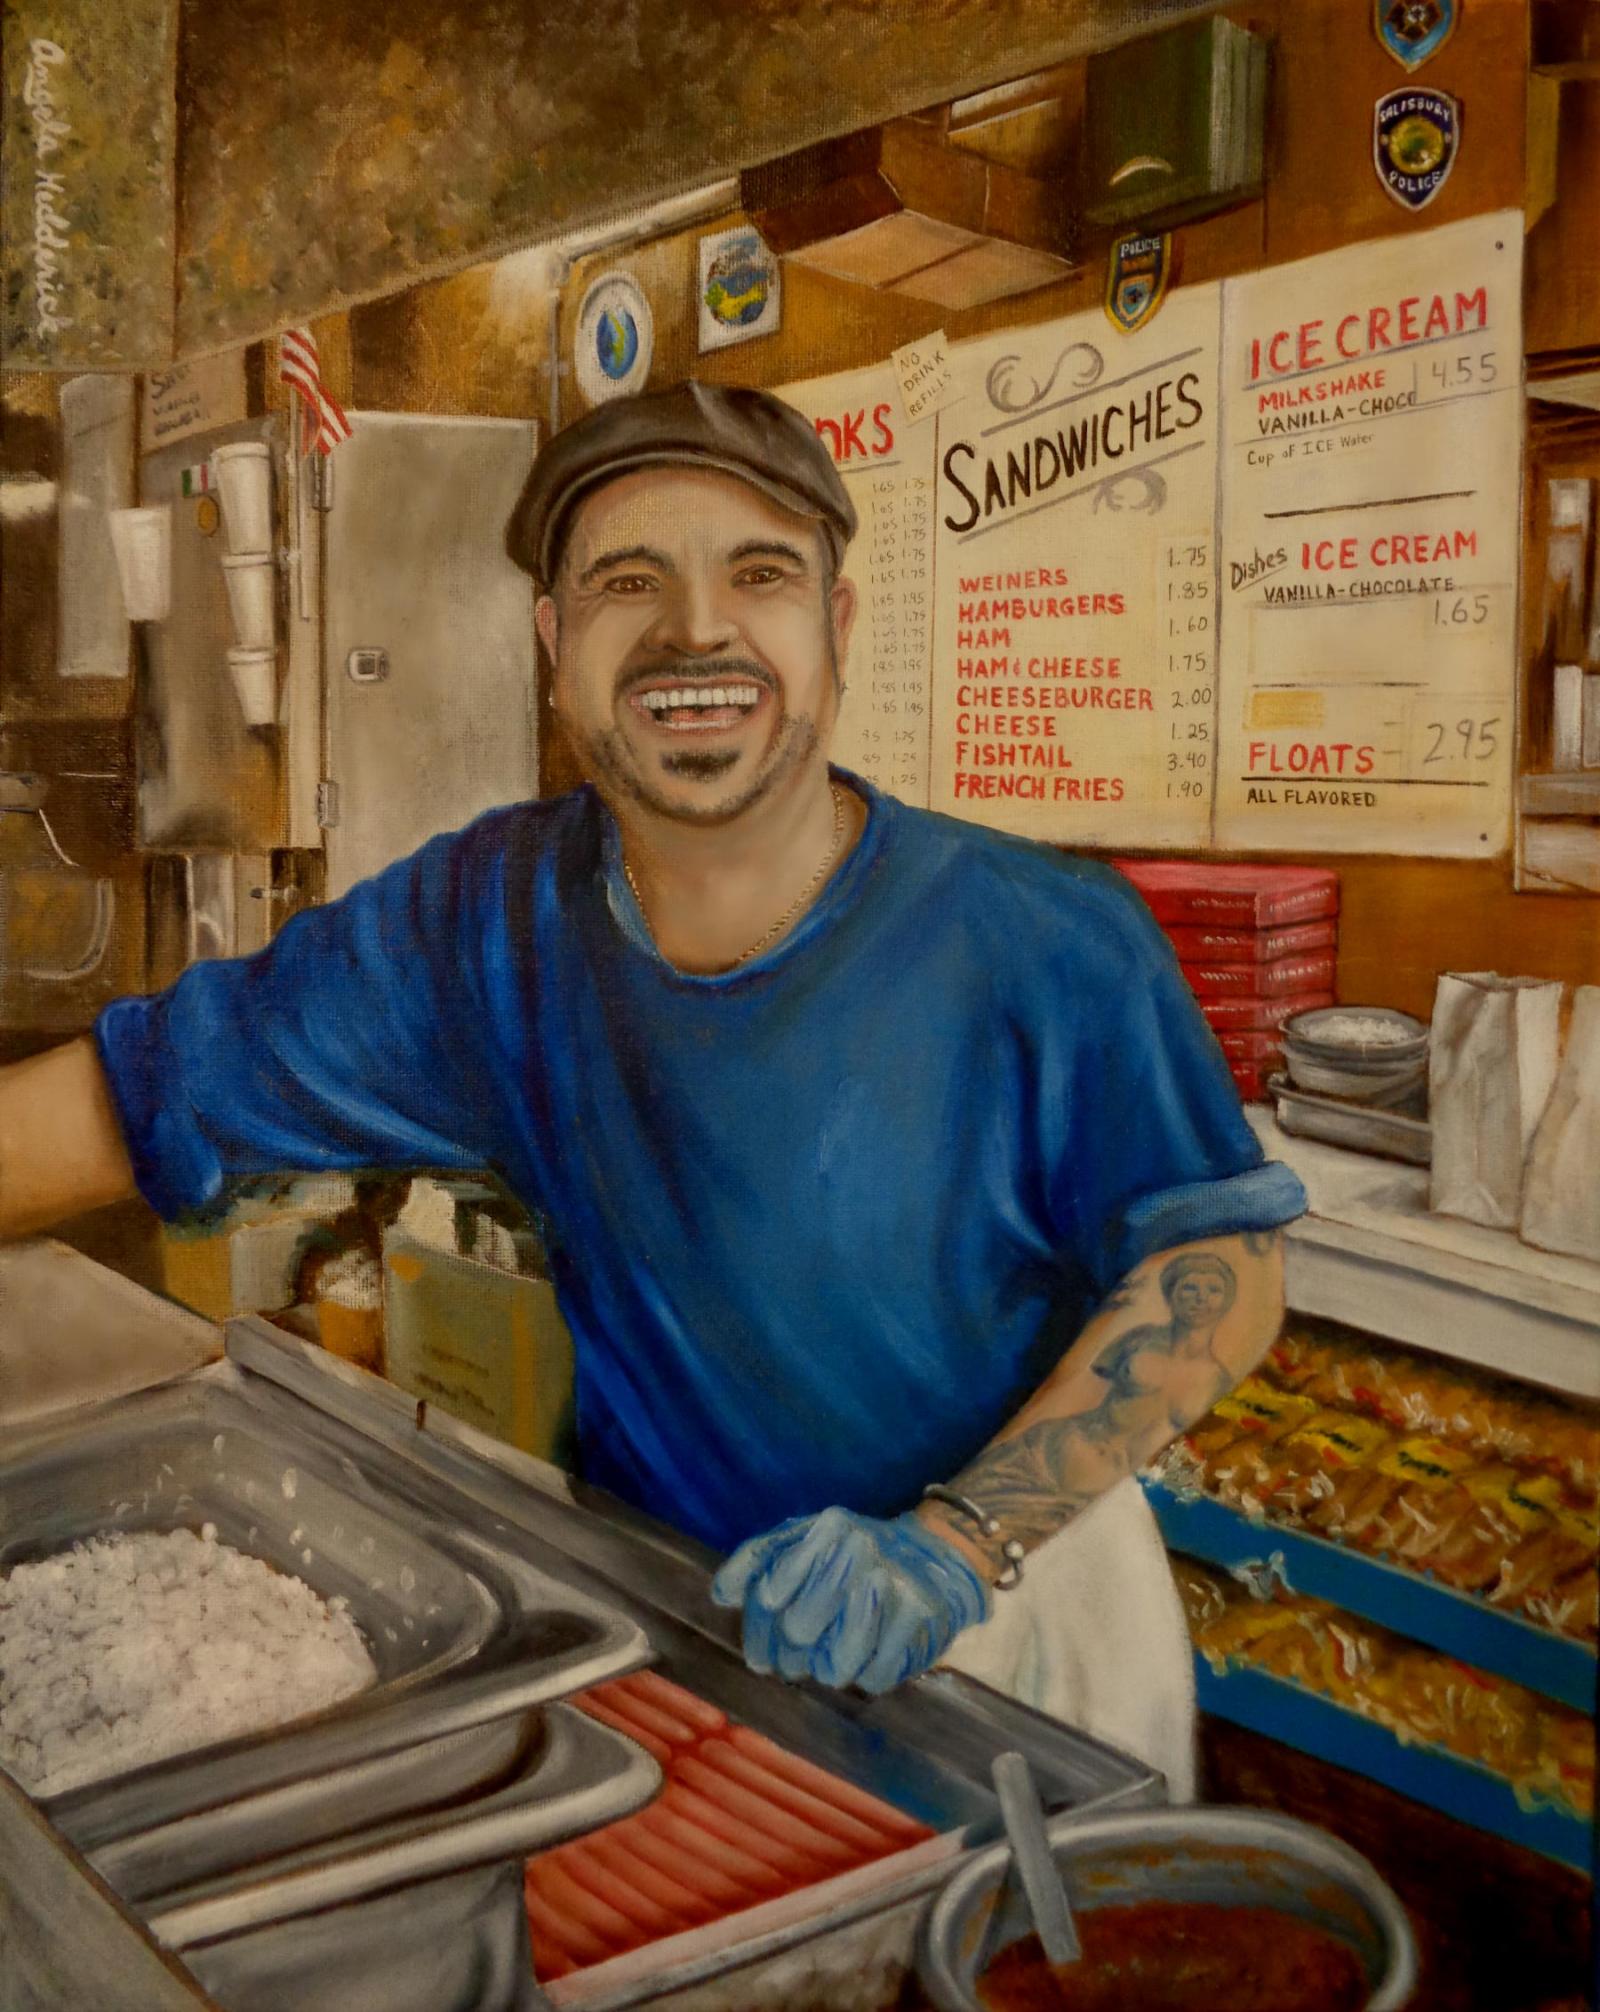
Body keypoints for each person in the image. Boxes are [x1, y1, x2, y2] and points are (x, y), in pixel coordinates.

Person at [0, 382, 1305, 1797]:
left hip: (1013, 1632)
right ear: (554, 649)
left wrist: (954, 1542)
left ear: (838, 629)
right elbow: (143, 1097)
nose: (695, 629)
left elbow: (1221, 1263)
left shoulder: (1049, 939)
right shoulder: (490, 921)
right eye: (631, 582)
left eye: (760, 575)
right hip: (693, 1626)